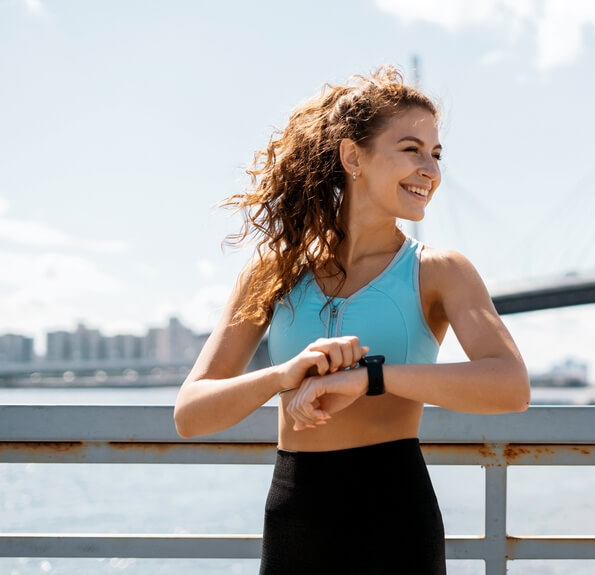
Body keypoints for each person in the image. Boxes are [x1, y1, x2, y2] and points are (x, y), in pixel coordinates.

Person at [173, 66, 531, 574]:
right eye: (411, 149)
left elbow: (510, 386)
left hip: (395, 518)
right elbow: (191, 414)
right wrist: (284, 374)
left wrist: (369, 378)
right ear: (352, 156)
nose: (430, 168)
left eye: (436, 153)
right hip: (296, 517)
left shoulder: (440, 271)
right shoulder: (274, 271)